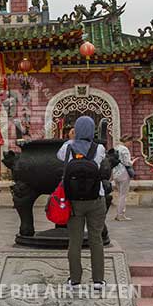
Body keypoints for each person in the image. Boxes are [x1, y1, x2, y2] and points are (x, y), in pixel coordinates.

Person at [57, 116, 111, 289]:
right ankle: (98, 281)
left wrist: (72, 139)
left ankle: (75, 280)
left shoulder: (67, 147)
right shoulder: (100, 148)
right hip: (97, 199)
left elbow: (59, 158)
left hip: (73, 201)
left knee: (75, 241)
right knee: (96, 239)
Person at [111, 135, 135, 221]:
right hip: (124, 173)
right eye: (130, 142)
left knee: (120, 194)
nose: (131, 144)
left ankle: (119, 214)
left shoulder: (116, 148)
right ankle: (120, 214)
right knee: (123, 195)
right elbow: (128, 163)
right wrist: (133, 161)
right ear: (127, 141)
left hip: (116, 173)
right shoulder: (125, 149)